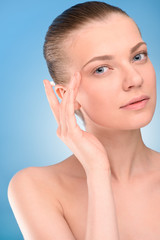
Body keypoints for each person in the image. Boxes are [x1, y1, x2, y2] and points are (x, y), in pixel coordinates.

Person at [8, 1, 160, 239]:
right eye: (101, 69)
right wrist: (97, 171)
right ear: (67, 96)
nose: (134, 79)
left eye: (138, 56)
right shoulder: (36, 187)